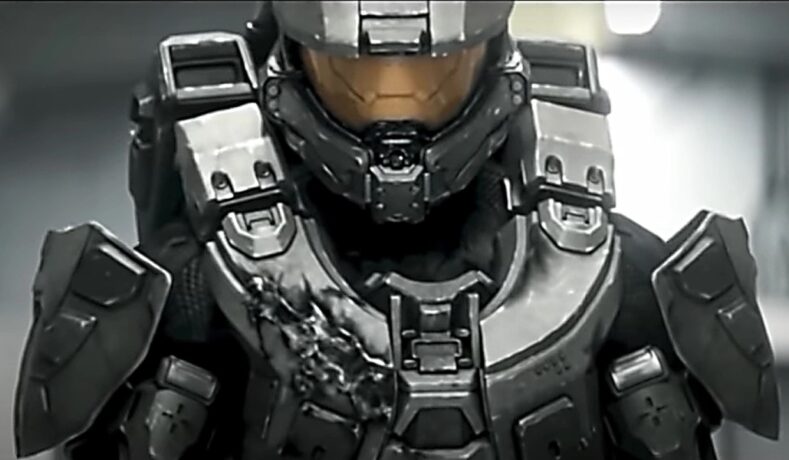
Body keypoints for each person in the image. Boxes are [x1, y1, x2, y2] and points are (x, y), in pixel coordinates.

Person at [14, 2, 780, 459]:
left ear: (491, 61)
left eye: (428, 72)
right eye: (359, 74)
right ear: (293, 62)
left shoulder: (619, 275)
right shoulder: (197, 292)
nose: (393, 107)